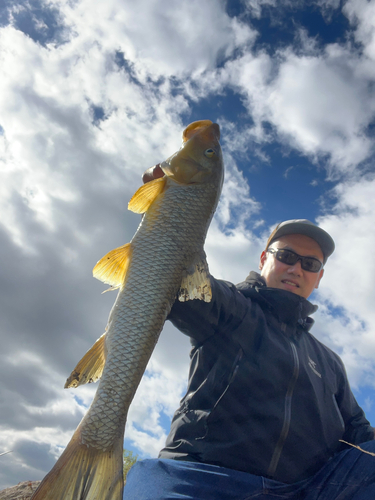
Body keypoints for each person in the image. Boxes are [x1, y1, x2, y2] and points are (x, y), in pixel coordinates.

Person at [123, 166, 375, 500]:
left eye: (309, 264)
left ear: (319, 277)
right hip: (202, 475)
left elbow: (359, 431)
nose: (296, 268)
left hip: (307, 490)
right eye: (286, 256)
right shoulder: (231, 306)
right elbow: (176, 281)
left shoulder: (329, 362)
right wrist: (169, 214)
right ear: (264, 258)